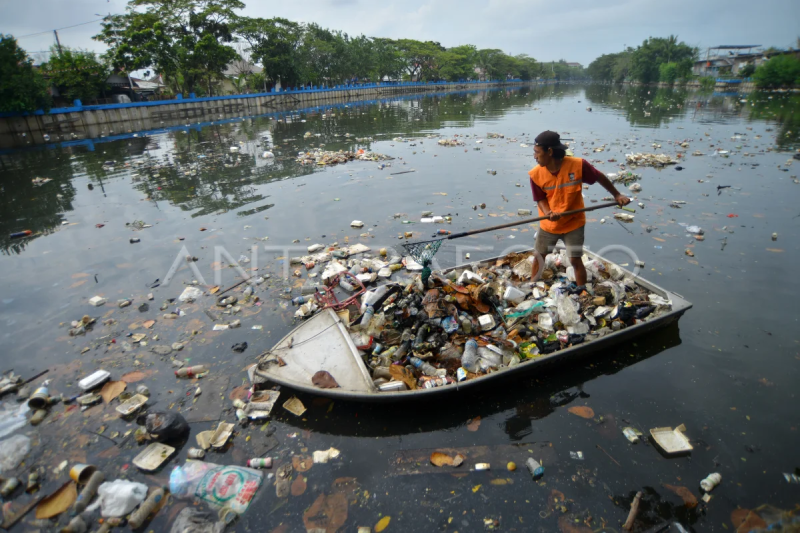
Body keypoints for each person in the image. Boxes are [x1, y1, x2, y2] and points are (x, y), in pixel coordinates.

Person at [528, 130, 631, 290]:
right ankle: (532, 285)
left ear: (549, 152)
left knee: (575, 259)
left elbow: (599, 177)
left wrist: (617, 195)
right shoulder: (535, 174)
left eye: (537, 152)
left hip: (573, 223)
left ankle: (582, 290)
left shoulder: (578, 165)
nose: (534, 156)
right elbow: (540, 198)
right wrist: (548, 213)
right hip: (549, 225)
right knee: (539, 256)